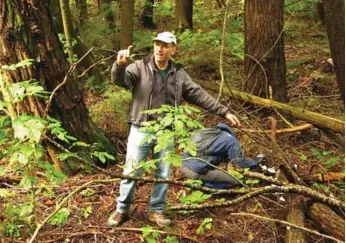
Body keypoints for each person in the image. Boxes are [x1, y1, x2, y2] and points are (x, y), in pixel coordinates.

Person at [108, 31, 241, 227]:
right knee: (132, 171)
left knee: (163, 173)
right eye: (157, 44)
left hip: (167, 131)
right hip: (140, 128)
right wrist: (119, 65)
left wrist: (224, 112)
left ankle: (157, 210)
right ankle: (122, 210)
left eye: (164, 45)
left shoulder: (179, 74)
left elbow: (198, 94)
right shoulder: (140, 67)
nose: (159, 49)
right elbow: (120, 80)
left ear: (173, 49)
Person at [181, 123, 265, 189]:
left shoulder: (206, 133)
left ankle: (198, 182)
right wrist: (256, 161)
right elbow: (240, 163)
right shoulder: (232, 141)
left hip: (183, 164)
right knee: (237, 181)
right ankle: (205, 187)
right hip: (195, 172)